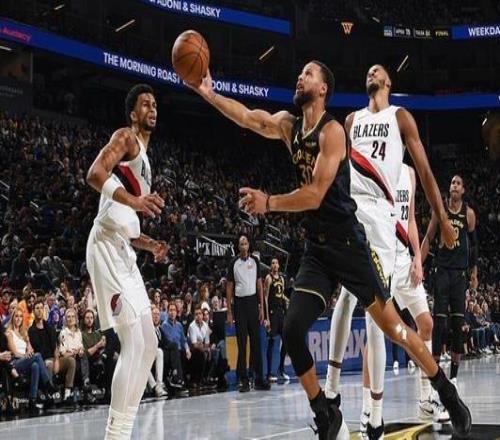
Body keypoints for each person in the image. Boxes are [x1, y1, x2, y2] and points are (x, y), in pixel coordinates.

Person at [190, 61, 471, 440]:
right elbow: (247, 117)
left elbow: (315, 194)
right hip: (318, 250)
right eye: (300, 72)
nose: (299, 77)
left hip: (350, 244)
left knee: (394, 329)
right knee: (292, 330)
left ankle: (445, 390)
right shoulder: (290, 126)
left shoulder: (335, 131)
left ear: (323, 89)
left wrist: (269, 202)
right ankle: (326, 414)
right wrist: (208, 93)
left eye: (308, 74)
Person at [322, 65, 467, 438]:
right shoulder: (351, 120)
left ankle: (378, 412)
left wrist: (442, 221)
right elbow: (336, 169)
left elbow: (426, 175)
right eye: (368, 70)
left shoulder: (399, 118)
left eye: (378, 70)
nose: (371, 71)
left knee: (380, 318)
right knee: (346, 298)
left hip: (385, 228)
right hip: (354, 213)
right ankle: (334, 392)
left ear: (388, 82)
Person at [85, 83, 168, 439]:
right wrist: (135, 202)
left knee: (149, 345)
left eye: (155, 104)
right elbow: (94, 174)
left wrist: (150, 245)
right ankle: (115, 435)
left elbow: (128, 226)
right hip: (104, 247)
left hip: (124, 249)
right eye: (145, 104)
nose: (152, 108)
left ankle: (126, 428)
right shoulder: (125, 137)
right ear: (133, 114)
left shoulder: (145, 160)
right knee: (132, 341)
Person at [421, 175, 478, 386]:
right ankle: (436, 377)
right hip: (443, 271)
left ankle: (453, 377)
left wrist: (474, 273)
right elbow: (429, 237)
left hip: (459, 274)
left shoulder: (469, 214)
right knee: (439, 323)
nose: (454, 185)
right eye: (452, 182)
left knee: (457, 324)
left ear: (463, 190)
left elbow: (474, 246)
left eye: (458, 183)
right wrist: (419, 262)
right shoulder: (440, 210)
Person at [226, 235, 270, 392]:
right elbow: (229, 288)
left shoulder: (255, 261)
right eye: (241, 244)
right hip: (239, 304)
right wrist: (229, 311)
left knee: (256, 342)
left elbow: (259, 285)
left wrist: (261, 308)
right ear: (238, 247)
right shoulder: (233, 263)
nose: (244, 246)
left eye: (245, 243)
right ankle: (243, 380)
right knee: (242, 343)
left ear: (249, 245)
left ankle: (259, 378)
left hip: (253, 303)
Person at [6, 307, 57, 410]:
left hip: (26, 361)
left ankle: (32, 400)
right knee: (37, 356)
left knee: (35, 365)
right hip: (15, 363)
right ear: (13, 318)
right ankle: (48, 385)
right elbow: (15, 353)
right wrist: (27, 356)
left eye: (21, 316)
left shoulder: (24, 333)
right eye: (16, 316)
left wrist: (29, 351)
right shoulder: (9, 333)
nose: (19, 319)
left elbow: (30, 350)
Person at [29, 299, 76, 402]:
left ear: (44, 310)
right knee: (49, 365)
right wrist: (47, 361)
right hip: (42, 360)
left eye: (41, 308)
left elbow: (55, 346)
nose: (39, 310)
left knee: (71, 361)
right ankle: (49, 395)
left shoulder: (50, 328)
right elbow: (37, 349)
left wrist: (57, 360)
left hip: (54, 358)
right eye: (37, 308)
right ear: (33, 311)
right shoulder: (31, 330)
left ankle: (67, 393)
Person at [264, 258, 289, 382]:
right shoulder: (269, 278)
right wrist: (267, 318)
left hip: (281, 313)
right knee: (272, 342)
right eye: (272, 263)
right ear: (270, 266)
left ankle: (281, 369)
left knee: (286, 341)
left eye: (276, 263)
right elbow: (265, 298)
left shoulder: (282, 279)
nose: (275, 265)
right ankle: (269, 372)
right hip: (272, 313)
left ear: (279, 265)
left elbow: (282, 295)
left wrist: (286, 309)